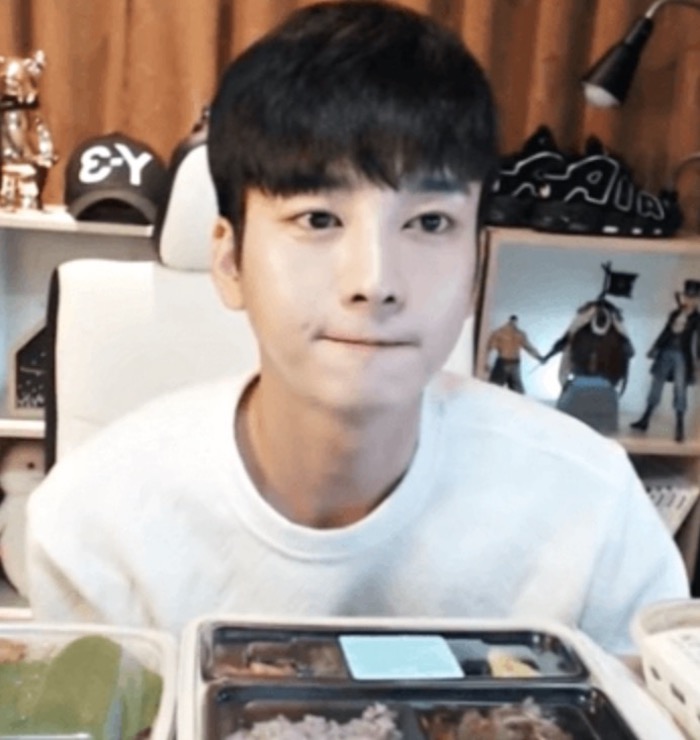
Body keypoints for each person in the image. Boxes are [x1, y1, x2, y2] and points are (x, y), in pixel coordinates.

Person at [26, 0, 687, 654]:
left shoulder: (594, 512)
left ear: (476, 267)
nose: (376, 280)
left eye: (429, 222)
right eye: (318, 219)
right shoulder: (95, 523)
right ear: (229, 262)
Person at [631, 279, 700, 442]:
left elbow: (697, 342)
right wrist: (655, 347)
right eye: (687, 296)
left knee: (680, 389)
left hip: (683, 356)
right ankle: (645, 419)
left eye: (692, 297)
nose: (689, 300)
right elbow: (666, 332)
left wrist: (697, 361)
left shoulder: (697, 319)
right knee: (656, 385)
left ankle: (680, 426)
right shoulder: (675, 314)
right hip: (666, 351)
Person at [485, 315, 542, 393]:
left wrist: (538, 357)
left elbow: (528, 347)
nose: (514, 323)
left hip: (513, 363)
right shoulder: (500, 332)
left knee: (516, 391)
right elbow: (489, 348)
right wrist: (486, 362)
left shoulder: (519, 334)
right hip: (504, 363)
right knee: (494, 388)